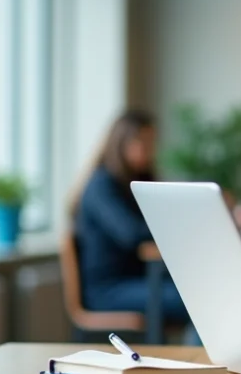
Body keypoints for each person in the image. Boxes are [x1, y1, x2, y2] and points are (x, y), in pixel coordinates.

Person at [72, 108, 191, 329]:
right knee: (193, 300)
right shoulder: (102, 185)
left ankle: (199, 359)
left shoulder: (136, 182)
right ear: (122, 143)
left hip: (139, 280)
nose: (149, 150)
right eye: (142, 142)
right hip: (109, 290)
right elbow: (132, 233)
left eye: (151, 143)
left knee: (201, 292)